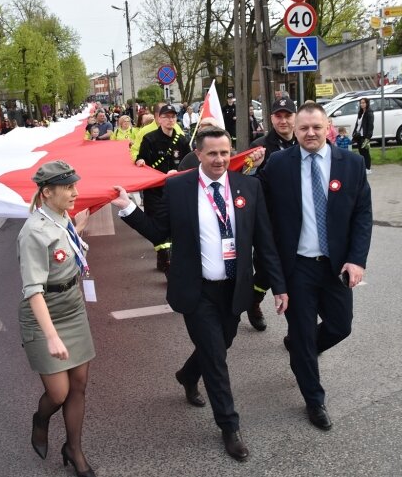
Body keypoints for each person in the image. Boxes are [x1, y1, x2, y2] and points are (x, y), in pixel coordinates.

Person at [111, 127, 288, 461]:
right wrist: (128, 209)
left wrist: (278, 285)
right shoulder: (178, 187)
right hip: (197, 290)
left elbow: (264, 241)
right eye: (212, 153)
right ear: (199, 155)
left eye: (224, 152)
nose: (219, 159)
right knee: (216, 358)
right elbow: (160, 231)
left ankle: (188, 375)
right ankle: (229, 426)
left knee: (220, 345)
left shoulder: (248, 186)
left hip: (235, 289)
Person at [259, 103, 372, 431]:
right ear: (295, 130)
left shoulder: (351, 163)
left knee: (340, 326)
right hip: (297, 267)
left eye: (316, 128)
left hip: (335, 266)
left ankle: (300, 351)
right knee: (304, 334)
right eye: (304, 128)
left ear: (328, 128)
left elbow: (362, 213)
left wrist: (357, 259)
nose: (310, 133)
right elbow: (257, 202)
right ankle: (314, 399)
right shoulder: (278, 164)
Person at [17, 161, 95, 477]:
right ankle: (41, 418)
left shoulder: (62, 217)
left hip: (72, 306)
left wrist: (78, 228)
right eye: (69, 188)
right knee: (58, 393)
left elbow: (67, 253)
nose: (76, 192)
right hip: (43, 313)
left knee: (79, 385)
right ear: (47, 192)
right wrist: (50, 335)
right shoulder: (33, 232)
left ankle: (74, 449)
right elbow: (32, 290)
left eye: (76, 185)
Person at [135, 104, 192, 274]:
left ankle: (170, 258)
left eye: (173, 117)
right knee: (158, 225)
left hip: (175, 190)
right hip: (155, 190)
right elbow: (140, 159)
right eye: (166, 117)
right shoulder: (150, 139)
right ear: (159, 119)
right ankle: (163, 256)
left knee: (175, 224)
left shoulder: (181, 140)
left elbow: (189, 162)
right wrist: (140, 162)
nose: (170, 120)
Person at [250, 98, 298, 169]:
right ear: (272, 119)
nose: (283, 121)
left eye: (288, 116)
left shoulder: (303, 143)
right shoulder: (259, 147)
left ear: (296, 117)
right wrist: (253, 168)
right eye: (278, 116)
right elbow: (250, 178)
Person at [352, 98, 374, 174]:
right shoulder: (360, 112)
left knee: (366, 152)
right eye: (361, 103)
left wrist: (368, 137)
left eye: (363, 103)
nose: (362, 104)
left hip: (365, 136)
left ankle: (368, 168)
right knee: (361, 152)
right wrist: (354, 132)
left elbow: (370, 126)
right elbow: (357, 124)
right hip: (359, 136)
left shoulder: (369, 113)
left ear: (367, 103)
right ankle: (364, 167)